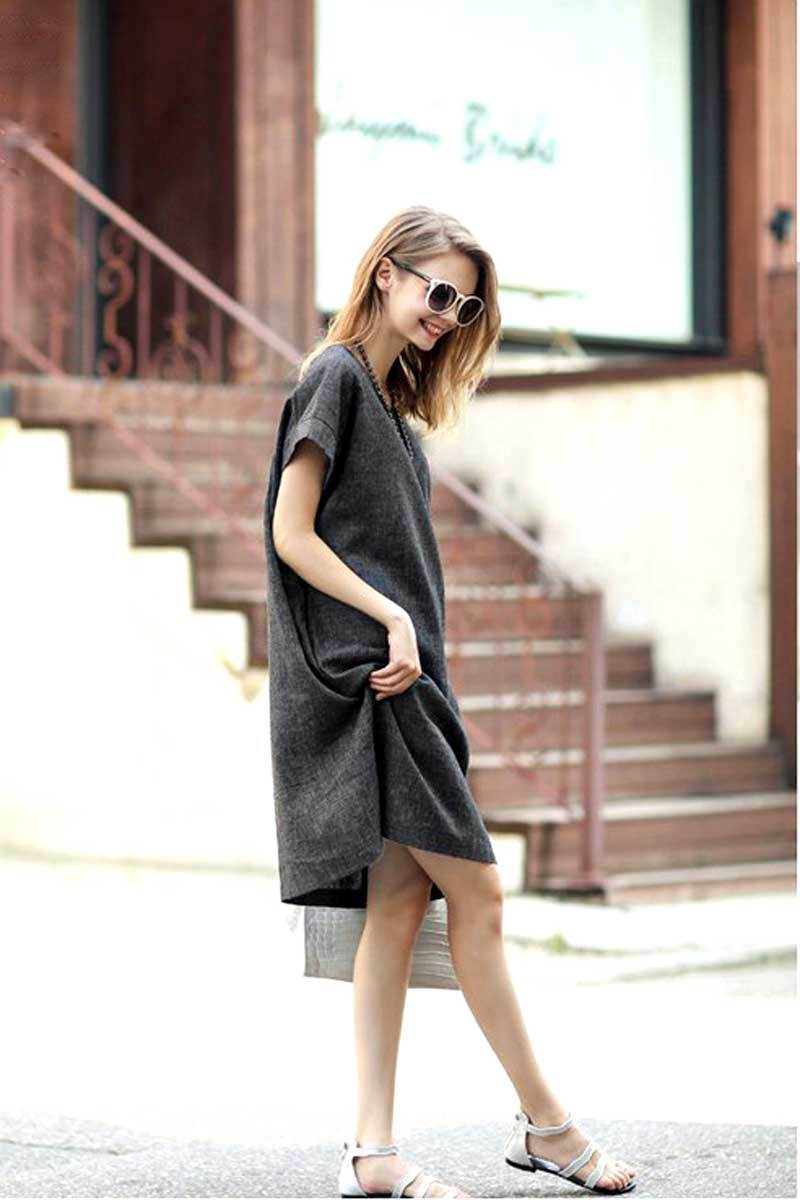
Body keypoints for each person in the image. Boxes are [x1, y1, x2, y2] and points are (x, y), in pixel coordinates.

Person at [263, 206, 637, 1198]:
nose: (449, 313)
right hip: (377, 685)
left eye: (464, 303)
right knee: (478, 893)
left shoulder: (390, 404)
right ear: (384, 273)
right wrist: (387, 617)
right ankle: (548, 1127)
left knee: (399, 905)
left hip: (407, 684)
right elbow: (289, 532)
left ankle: (371, 1155)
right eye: (438, 291)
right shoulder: (333, 376)